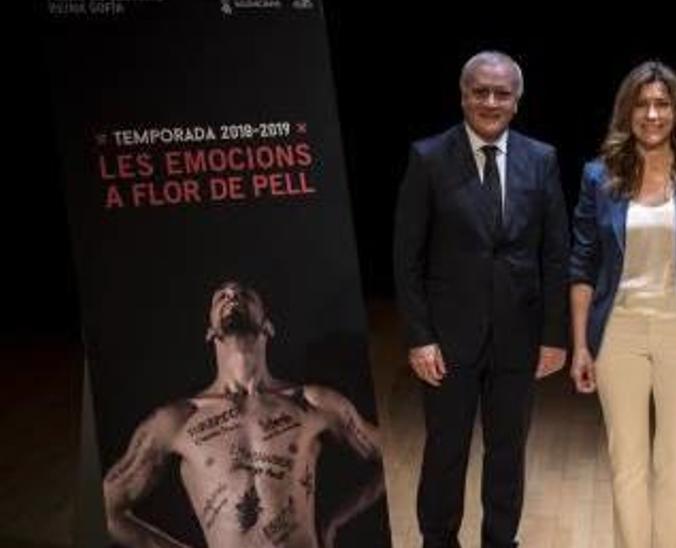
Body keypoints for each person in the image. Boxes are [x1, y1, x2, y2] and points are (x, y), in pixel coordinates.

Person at [392, 50, 569, 548]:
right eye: (480, 91)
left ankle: (500, 540)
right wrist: (419, 337)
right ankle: (438, 539)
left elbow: (556, 255)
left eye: (501, 93)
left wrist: (554, 336)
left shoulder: (542, 159)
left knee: (508, 452)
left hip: (519, 336)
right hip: (447, 341)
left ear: (517, 101)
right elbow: (407, 257)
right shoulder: (428, 158)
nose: (490, 102)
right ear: (463, 95)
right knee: (445, 450)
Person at [568, 61, 676, 548]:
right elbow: (582, 263)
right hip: (617, 331)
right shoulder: (598, 175)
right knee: (627, 462)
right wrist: (580, 345)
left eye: (662, 103)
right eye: (642, 104)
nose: (652, 113)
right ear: (628, 112)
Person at [103, 281, 383, 548]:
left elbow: (389, 454)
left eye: (244, 294)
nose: (232, 295)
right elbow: (107, 510)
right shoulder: (177, 420)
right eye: (221, 296)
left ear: (269, 327)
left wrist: (337, 521)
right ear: (210, 332)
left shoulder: (313, 403)